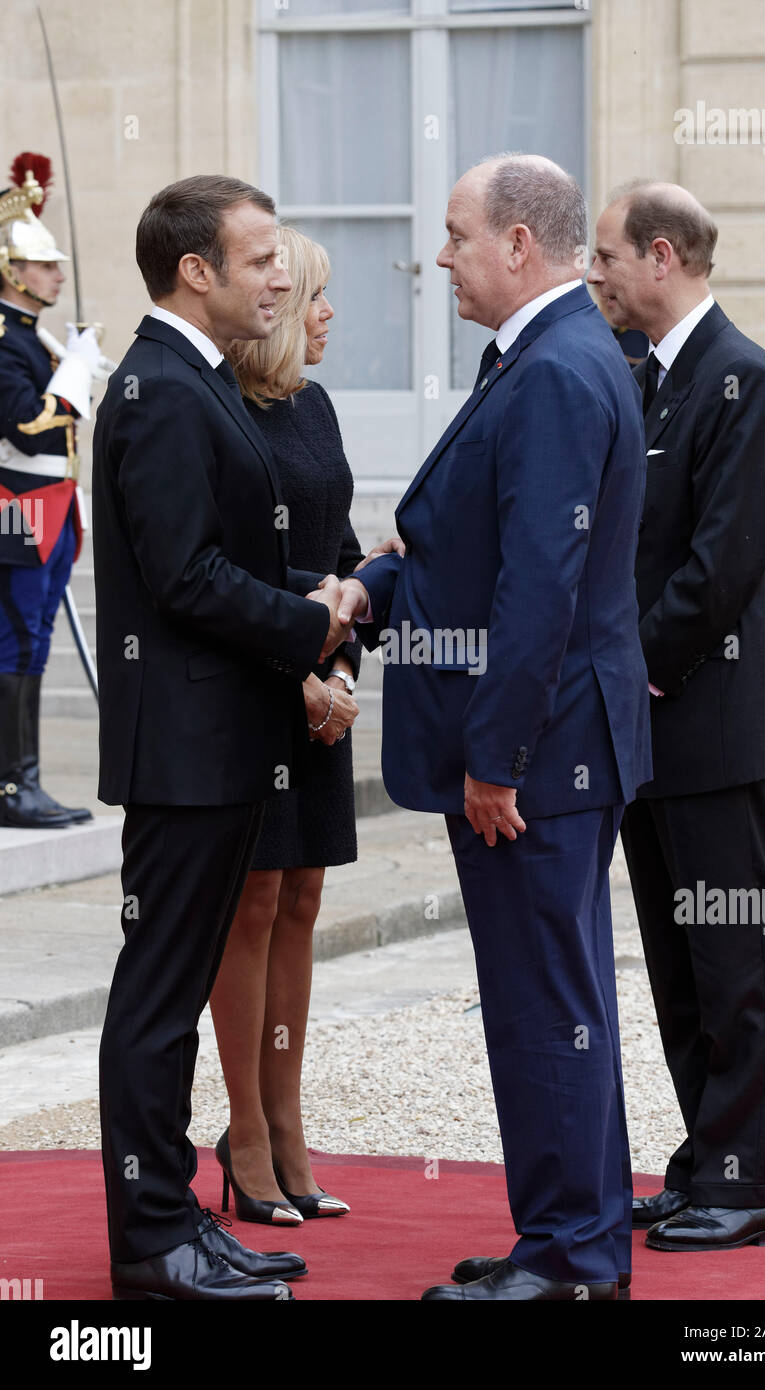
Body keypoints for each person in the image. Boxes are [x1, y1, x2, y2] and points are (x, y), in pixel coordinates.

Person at [339, 154, 651, 1301]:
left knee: (543, 1005)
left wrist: (494, 758)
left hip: (543, 751)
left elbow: (540, 591)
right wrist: (379, 582)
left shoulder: (559, 368)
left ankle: (570, 1257)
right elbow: (473, 543)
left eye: (457, 234)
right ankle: (567, 1239)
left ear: (518, 243)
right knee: (551, 999)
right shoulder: (549, 354)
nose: (439, 256)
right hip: (556, 741)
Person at [92, 175, 354, 1301]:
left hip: (217, 739)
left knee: (171, 989)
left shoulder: (196, 384)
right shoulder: (158, 390)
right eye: (258, 260)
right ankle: (153, 1241)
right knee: (159, 1000)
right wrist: (314, 619)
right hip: (187, 747)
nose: (280, 276)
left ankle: (181, 1223)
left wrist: (320, 601)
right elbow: (186, 576)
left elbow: (216, 559)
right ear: (193, 272)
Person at [588, 180, 765, 1252]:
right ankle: (702, 1164)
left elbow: (718, 569)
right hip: (651, 729)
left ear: (660, 256)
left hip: (712, 724)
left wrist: (620, 672)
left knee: (738, 960)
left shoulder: (740, 379)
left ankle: (750, 1184)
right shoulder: (644, 378)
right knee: (677, 964)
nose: (595, 277)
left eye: (607, 258)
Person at [209, 227, 369, 1223]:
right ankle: (247, 1131)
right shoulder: (213, 411)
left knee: (303, 899)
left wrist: (342, 661)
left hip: (321, 686)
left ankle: (286, 1117)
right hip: (246, 690)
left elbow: (341, 549)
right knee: (252, 904)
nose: (323, 312)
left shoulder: (315, 408)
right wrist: (296, 671)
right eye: (313, 295)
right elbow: (213, 572)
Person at [0, 153, 94, 828]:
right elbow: (28, 428)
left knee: (31, 640)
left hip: (51, 509)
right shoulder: (6, 341)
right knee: (15, 640)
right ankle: (11, 787)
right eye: (45, 264)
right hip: (16, 512)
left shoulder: (34, 341)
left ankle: (22, 781)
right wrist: (72, 381)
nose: (58, 273)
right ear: (13, 269)